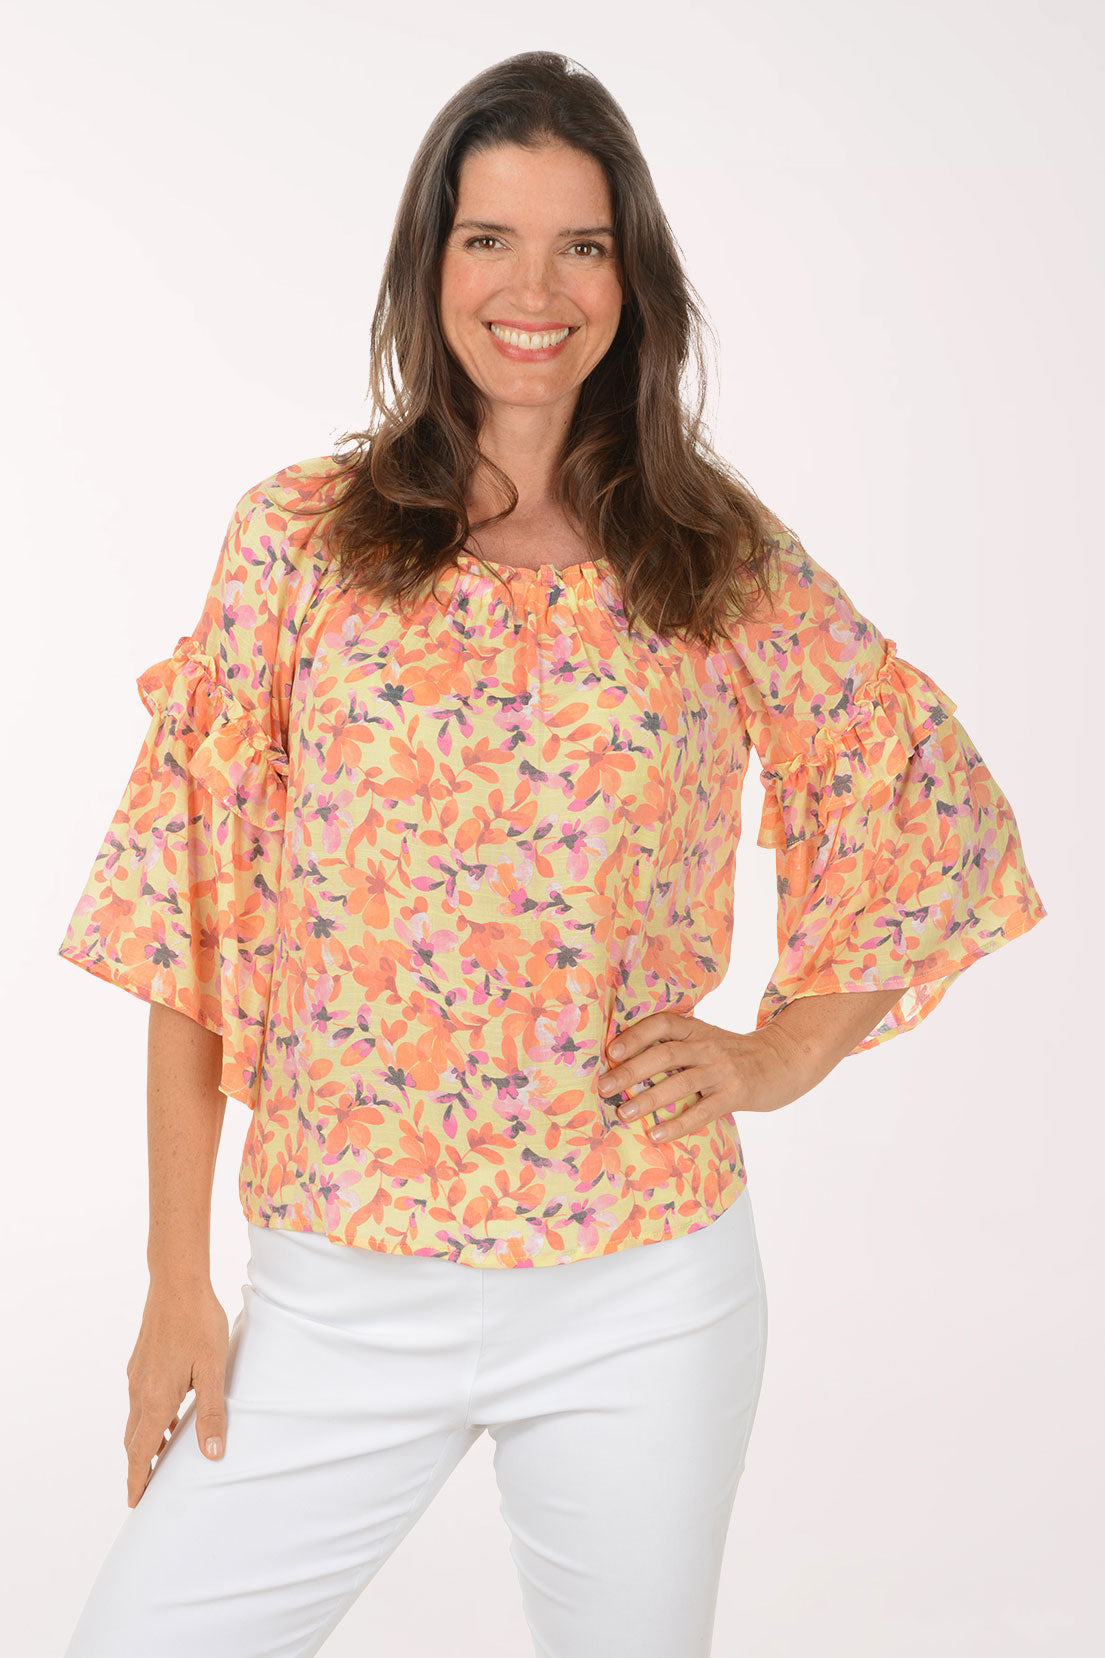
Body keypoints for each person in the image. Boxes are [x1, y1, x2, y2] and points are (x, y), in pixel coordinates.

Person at [56, 48, 1046, 1658]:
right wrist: (180, 1279)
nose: (535, 287)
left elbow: (918, 792)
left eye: (581, 244)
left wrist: (783, 1051)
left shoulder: (710, 558)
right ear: (428, 263)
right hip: (336, 1289)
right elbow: (184, 915)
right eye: (489, 239)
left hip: (638, 1294)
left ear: (630, 277)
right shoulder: (298, 544)